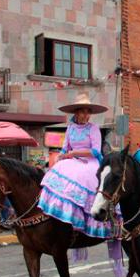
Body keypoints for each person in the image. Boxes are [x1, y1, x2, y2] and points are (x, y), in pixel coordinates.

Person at [38, 93, 116, 239]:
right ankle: (59, 214)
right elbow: (64, 147)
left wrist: (74, 153)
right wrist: (61, 156)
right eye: (82, 111)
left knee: (82, 175)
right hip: (72, 160)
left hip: (90, 162)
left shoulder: (93, 128)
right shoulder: (71, 128)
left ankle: (86, 217)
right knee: (56, 170)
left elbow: (95, 150)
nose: (85, 115)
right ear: (76, 112)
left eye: (88, 112)